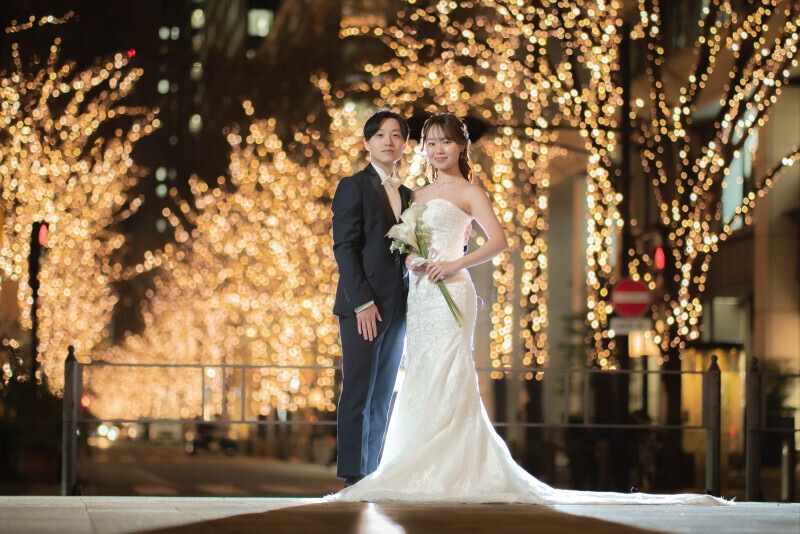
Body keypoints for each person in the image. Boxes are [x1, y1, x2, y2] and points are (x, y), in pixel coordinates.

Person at [327, 113, 726, 505]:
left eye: (445, 141)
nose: (437, 149)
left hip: (451, 290)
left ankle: (454, 469)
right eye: (430, 142)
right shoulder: (414, 194)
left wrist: (454, 264)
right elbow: (396, 246)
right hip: (418, 297)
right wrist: (414, 259)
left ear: (461, 146)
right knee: (419, 374)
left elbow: (498, 241)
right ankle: (407, 467)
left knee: (450, 372)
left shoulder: (470, 192)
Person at [331, 109, 412, 487]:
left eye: (396, 135)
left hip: (398, 307)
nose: (388, 141)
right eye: (380, 135)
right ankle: (352, 476)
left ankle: (372, 474)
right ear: (367, 143)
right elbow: (344, 248)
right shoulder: (353, 186)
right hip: (362, 307)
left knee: (382, 396)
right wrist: (361, 302)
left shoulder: (409, 195)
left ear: (405, 144)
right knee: (358, 391)